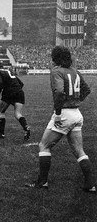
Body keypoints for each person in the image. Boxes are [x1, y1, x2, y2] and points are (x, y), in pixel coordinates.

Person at [26, 46, 95, 192]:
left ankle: (42, 182)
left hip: (64, 114)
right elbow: (86, 89)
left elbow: (58, 92)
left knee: (43, 146)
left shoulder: (57, 71)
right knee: (79, 150)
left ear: (55, 57)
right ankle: (90, 184)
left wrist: (58, 113)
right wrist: (75, 101)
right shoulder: (75, 71)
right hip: (76, 113)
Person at [0, 61, 31, 141]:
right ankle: (26, 127)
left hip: (8, 93)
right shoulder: (10, 71)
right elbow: (21, 83)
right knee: (18, 113)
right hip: (19, 92)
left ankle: (1, 134)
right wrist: (16, 91)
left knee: (2, 112)